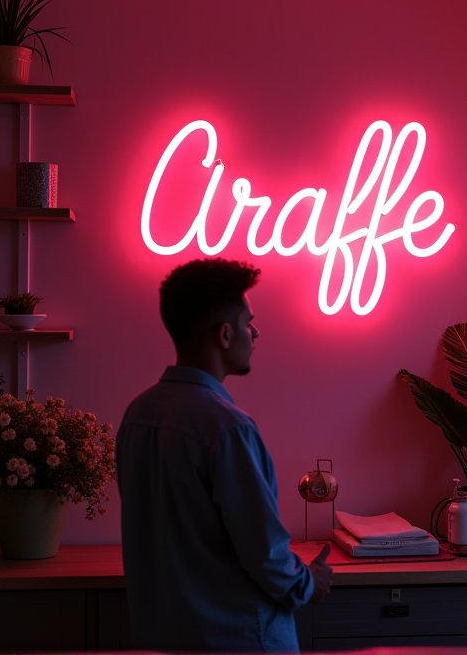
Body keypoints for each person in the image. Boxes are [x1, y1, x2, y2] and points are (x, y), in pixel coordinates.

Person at [116, 258, 332, 653]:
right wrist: (308, 582)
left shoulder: (137, 415)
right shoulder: (228, 428)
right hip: (240, 639)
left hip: (160, 638)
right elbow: (264, 554)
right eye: (249, 322)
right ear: (226, 335)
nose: (257, 332)